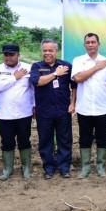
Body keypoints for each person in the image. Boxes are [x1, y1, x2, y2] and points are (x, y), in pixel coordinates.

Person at [71, 33, 106, 178]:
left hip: (102, 107)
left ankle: (101, 167)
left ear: (99, 44)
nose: (90, 45)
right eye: (88, 42)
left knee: (102, 137)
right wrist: (96, 67)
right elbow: (78, 78)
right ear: (84, 45)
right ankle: (85, 167)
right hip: (83, 107)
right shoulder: (78, 61)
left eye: (93, 42)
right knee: (85, 137)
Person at [30, 39, 76, 179]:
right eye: (45, 50)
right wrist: (56, 74)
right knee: (45, 140)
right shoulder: (36, 66)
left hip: (63, 110)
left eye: (51, 50)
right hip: (44, 111)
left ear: (56, 51)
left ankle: (64, 168)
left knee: (65, 139)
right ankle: (49, 168)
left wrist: (72, 103)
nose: (47, 53)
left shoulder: (66, 66)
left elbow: (74, 86)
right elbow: (38, 82)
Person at [0, 44, 34, 180]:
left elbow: (33, 89)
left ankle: (26, 167)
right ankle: (7, 169)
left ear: (18, 55)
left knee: (24, 140)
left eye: (11, 54)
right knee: (7, 142)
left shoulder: (28, 68)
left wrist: (35, 106)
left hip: (24, 112)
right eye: (5, 54)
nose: (8, 57)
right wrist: (15, 77)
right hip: (5, 114)